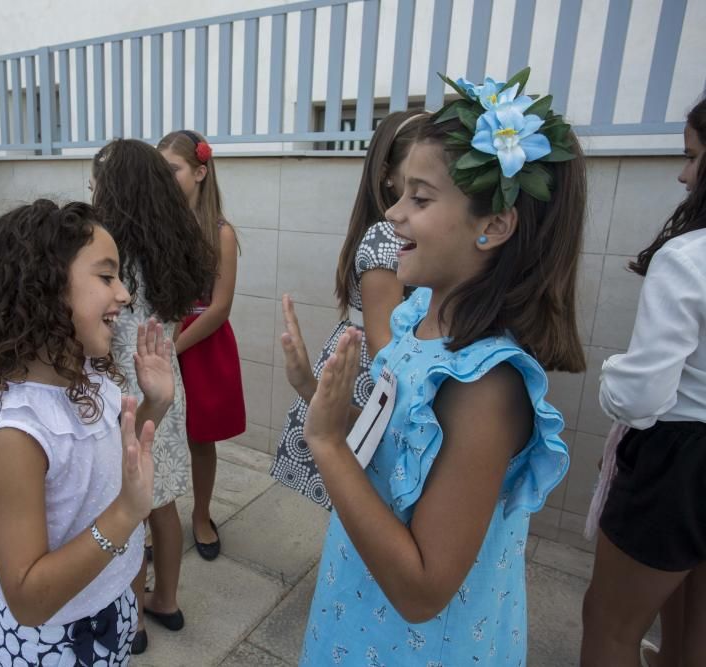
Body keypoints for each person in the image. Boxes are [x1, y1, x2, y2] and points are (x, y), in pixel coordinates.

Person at [289, 68, 585, 665]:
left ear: (495, 225)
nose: (394, 213)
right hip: (358, 608)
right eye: (398, 192)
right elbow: (390, 447)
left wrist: (324, 443)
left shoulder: (487, 388)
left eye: (420, 198)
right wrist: (323, 399)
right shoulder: (416, 315)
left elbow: (423, 589)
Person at [0, 200, 172, 665]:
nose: (125, 294)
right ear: (43, 288)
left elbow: (113, 459)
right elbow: (28, 598)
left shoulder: (88, 378)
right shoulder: (14, 435)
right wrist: (127, 516)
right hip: (50, 644)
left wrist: (155, 405)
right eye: (106, 277)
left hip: (108, 607)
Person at [581, 97, 706, 667]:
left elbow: (641, 396)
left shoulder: (687, 258)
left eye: (692, 156)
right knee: (691, 622)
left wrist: (612, 373)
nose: (682, 173)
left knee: (610, 624)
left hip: (680, 460)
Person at [91, 138, 216, 654]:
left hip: (124, 392)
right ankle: (167, 597)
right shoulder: (181, 242)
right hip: (167, 386)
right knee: (163, 503)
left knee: (128, 506)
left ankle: (135, 618)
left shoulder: (109, 255)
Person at [271, 110, 423, 510]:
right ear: (388, 174)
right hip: (375, 377)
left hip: (377, 370)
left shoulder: (404, 232)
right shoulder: (387, 236)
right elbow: (384, 343)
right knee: (366, 500)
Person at [157, 130, 245, 560]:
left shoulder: (221, 232)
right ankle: (159, 516)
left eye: (171, 168)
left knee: (200, 438)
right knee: (158, 435)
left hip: (201, 342)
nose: (165, 176)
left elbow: (220, 307)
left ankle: (202, 514)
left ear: (200, 170)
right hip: (165, 336)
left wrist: (176, 345)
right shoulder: (158, 229)